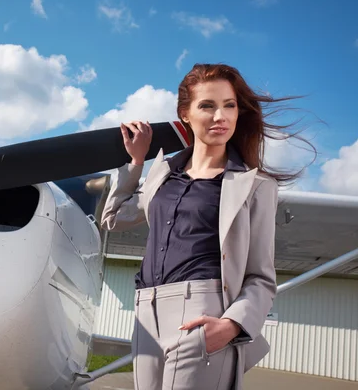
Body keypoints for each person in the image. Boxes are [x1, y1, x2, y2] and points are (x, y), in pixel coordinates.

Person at [100, 63, 313, 390]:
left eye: (229, 106)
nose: (221, 116)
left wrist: (231, 324)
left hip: (202, 313)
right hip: (145, 312)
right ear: (185, 113)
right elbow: (113, 218)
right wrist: (136, 163)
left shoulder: (255, 186)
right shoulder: (161, 174)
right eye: (207, 106)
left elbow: (261, 276)